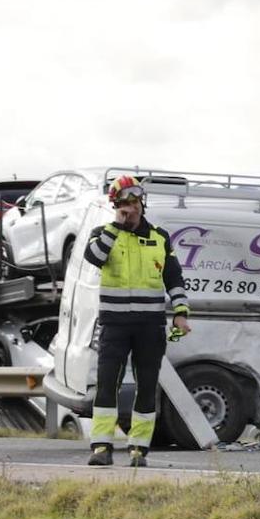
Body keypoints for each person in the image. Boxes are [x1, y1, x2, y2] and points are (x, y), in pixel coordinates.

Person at [83, 175, 191, 467]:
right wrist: (117, 226)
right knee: (107, 384)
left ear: (141, 203)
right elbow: (93, 257)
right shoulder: (102, 233)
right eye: (123, 204)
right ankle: (101, 447)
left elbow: (174, 277)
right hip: (114, 325)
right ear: (115, 206)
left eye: (133, 202)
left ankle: (139, 449)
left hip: (149, 326)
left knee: (146, 385)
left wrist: (180, 312)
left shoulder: (159, 237)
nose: (130, 208)